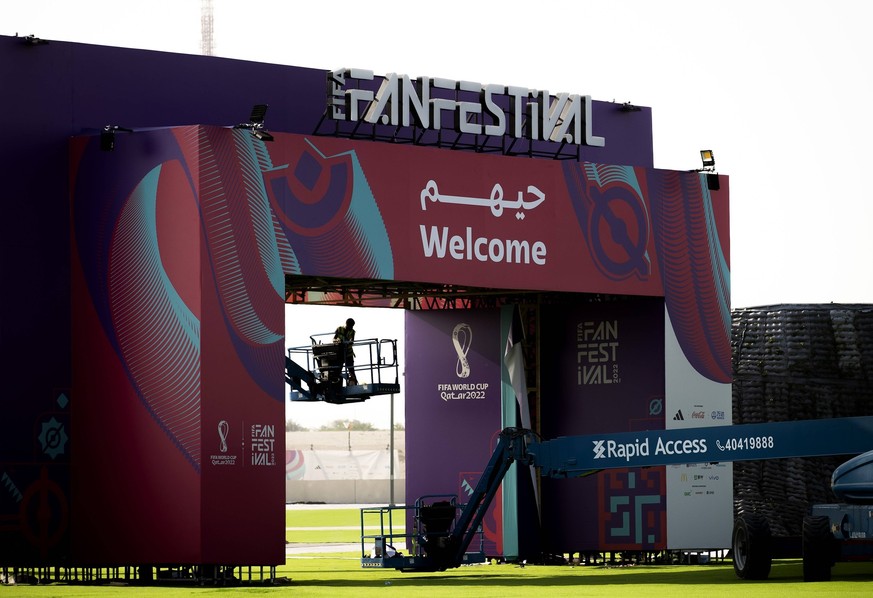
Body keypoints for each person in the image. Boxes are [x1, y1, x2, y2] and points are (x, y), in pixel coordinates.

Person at [333, 318, 357, 385]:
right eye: (349, 326)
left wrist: (347, 343)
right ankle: (336, 383)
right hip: (340, 353)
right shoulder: (339, 329)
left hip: (348, 353)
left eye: (351, 326)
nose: (350, 328)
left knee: (351, 370)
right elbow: (334, 339)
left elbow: (352, 341)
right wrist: (337, 341)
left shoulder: (352, 331)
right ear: (346, 324)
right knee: (338, 369)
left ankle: (354, 383)